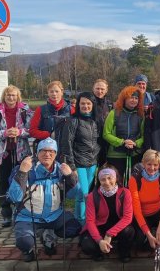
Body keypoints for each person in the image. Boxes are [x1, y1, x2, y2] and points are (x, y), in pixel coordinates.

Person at [8, 138, 81, 262]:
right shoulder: (26, 169)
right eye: (43, 151)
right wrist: (22, 172)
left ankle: (48, 235)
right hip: (28, 217)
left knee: (74, 228)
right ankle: (28, 249)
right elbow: (15, 197)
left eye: (51, 151)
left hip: (54, 215)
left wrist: (70, 176)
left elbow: (74, 195)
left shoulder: (61, 170)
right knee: (24, 242)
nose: (47, 154)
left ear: (56, 153)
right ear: (37, 153)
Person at [0, 85, 33, 228]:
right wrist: (5, 133)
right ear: (4, 97)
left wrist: (19, 132)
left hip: (21, 153)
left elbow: (32, 129)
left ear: (18, 97)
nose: (11, 98)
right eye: (8, 95)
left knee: (21, 182)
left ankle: (20, 211)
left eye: (13, 95)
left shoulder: (25, 110)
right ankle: (6, 213)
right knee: (4, 183)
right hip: (3, 154)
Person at [128, 149, 160, 260]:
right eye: (149, 164)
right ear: (143, 163)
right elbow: (136, 210)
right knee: (140, 243)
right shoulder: (134, 180)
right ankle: (152, 235)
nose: (152, 168)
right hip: (143, 215)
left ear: (159, 165)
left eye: (155, 165)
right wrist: (148, 235)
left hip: (158, 212)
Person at [59, 91, 100, 225]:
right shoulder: (72, 121)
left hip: (92, 163)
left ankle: (82, 219)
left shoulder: (95, 121)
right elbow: (67, 144)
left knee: (87, 195)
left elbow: (97, 142)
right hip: (79, 163)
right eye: (82, 103)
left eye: (88, 103)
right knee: (84, 193)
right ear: (78, 105)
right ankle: (82, 222)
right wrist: (72, 166)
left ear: (93, 105)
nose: (85, 106)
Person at [79, 165, 135, 262]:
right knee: (87, 245)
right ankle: (99, 250)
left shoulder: (125, 193)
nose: (107, 182)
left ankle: (123, 251)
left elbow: (127, 218)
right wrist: (99, 240)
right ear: (99, 181)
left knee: (128, 231)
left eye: (110, 178)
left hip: (118, 227)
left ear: (116, 178)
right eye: (103, 179)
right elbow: (90, 221)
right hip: (100, 226)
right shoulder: (92, 196)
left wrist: (109, 234)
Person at [103, 86, 145, 185]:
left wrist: (136, 143)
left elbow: (144, 135)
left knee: (134, 183)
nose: (133, 100)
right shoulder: (114, 113)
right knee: (116, 183)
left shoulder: (140, 115)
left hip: (134, 154)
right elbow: (106, 134)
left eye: (136, 98)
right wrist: (122, 142)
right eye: (131, 97)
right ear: (124, 98)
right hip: (116, 155)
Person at [29, 80, 74, 155]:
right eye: (51, 91)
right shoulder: (41, 109)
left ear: (62, 92)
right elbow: (32, 131)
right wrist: (49, 135)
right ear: (48, 93)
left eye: (57, 91)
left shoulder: (71, 109)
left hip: (66, 151)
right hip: (46, 150)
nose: (54, 94)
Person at [92, 79, 113, 166]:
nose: (99, 91)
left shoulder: (110, 105)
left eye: (102, 89)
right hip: (92, 142)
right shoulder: (88, 103)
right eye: (97, 88)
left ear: (106, 90)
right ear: (93, 89)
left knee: (104, 168)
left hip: (106, 143)